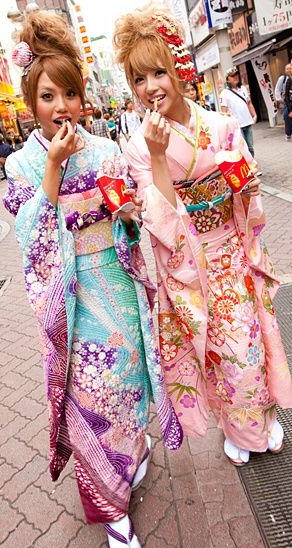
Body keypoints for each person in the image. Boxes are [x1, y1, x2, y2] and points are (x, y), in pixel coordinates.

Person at [3, 10, 182, 547]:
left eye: (69, 95)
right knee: (90, 396)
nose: (61, 108)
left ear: (84, 97)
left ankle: (131, 458)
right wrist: (54, 172)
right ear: (30, 103)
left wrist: (126, 214)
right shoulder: (21, 166)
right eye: (47, 97)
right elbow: (30, 238)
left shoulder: (106, 151)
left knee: (126, 388)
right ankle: (109, 504)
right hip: (73, 303)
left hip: (117, 286)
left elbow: (134, 210)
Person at [114, 4, 292, 467]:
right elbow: (164, 224)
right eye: (138, 79)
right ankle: (241, 428)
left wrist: (246, 186)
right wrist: (155, 156)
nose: (151, 87)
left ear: (180, 69)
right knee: (221, 354)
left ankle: (264, 418)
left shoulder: (219, 124)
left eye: (159, 72)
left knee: (252, 342)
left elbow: (245, 185)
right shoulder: (137, 146)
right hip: (192, 265)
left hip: (233, 250)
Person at [220, 67, 257, 157]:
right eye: (232, 76)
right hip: (237, 125)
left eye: (236, 75)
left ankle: (252, 164)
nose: (236, 77)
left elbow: (249, 103)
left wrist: (254, 115)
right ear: (227, 80)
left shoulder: (243, 89)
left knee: (250, 146)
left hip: (247, 122)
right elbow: (223, 112)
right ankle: (247, 167)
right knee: (242, 148)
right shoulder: (224, 93)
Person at [284, 74, 292, 141]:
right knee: (287, 116)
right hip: (290, 104)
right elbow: (286, 96)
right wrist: (290, 110)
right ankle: (288, 134)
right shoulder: (289, 79)